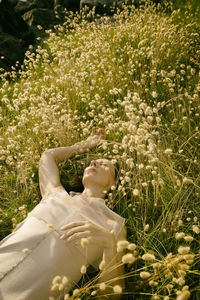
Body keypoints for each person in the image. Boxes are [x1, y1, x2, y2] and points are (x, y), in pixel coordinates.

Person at [0, 128, 126, 300]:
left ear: (115, 182)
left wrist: (109, 245)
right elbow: (48, 156)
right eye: (92, 162)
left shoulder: (113, 225)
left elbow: (112, 295)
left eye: (104, 164)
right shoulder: (55, 193)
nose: (93, 163)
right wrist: (86, 144)